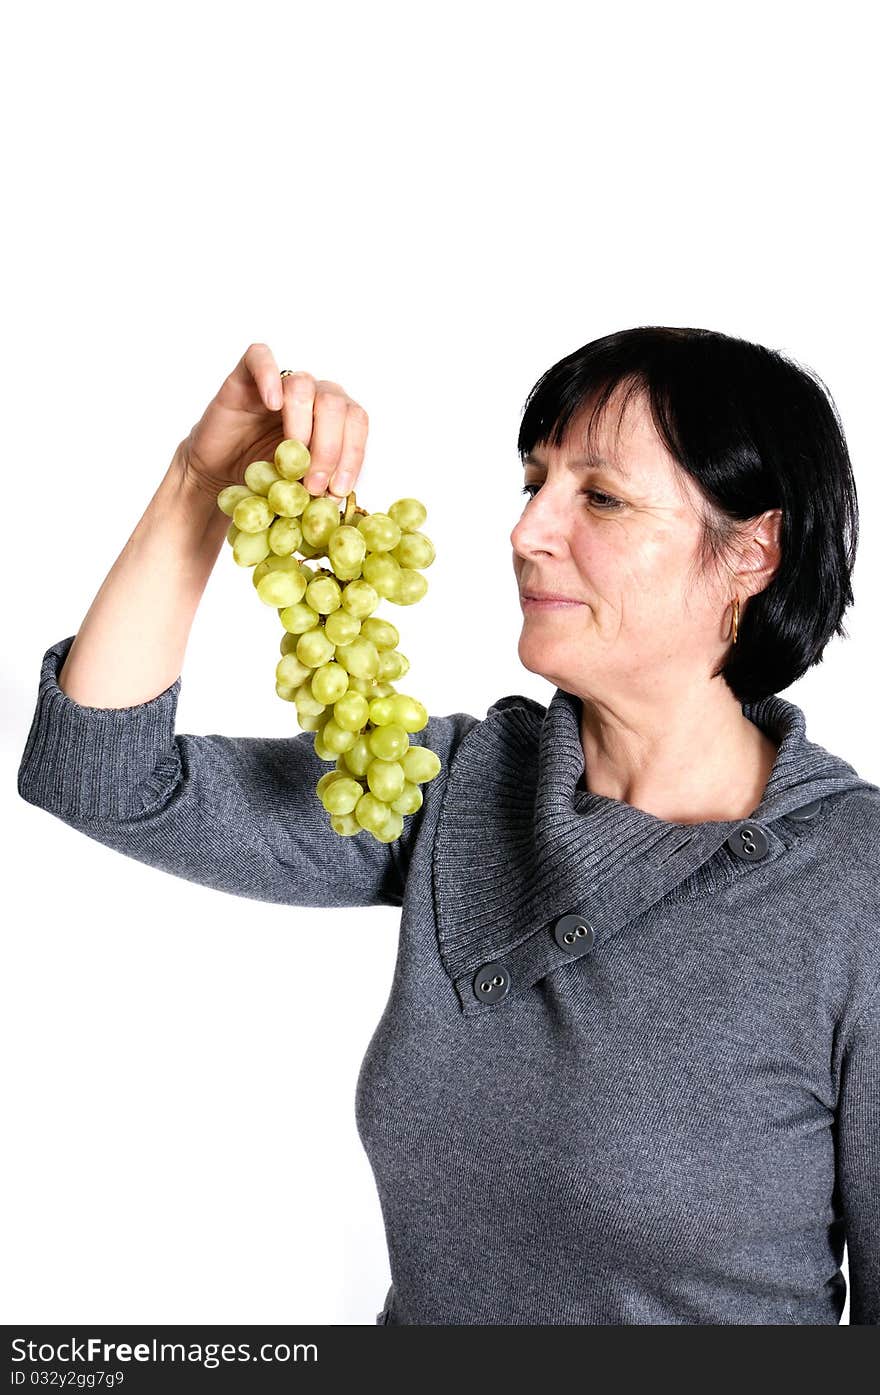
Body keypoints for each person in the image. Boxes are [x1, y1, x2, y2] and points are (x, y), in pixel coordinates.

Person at [17, 330, 880, 1326]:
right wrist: (197, 481)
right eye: (533, 485)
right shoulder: (449, 789)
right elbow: (100, 775)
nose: (527, 532)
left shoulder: (852, 886)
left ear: (751, 552)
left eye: (598, 497)